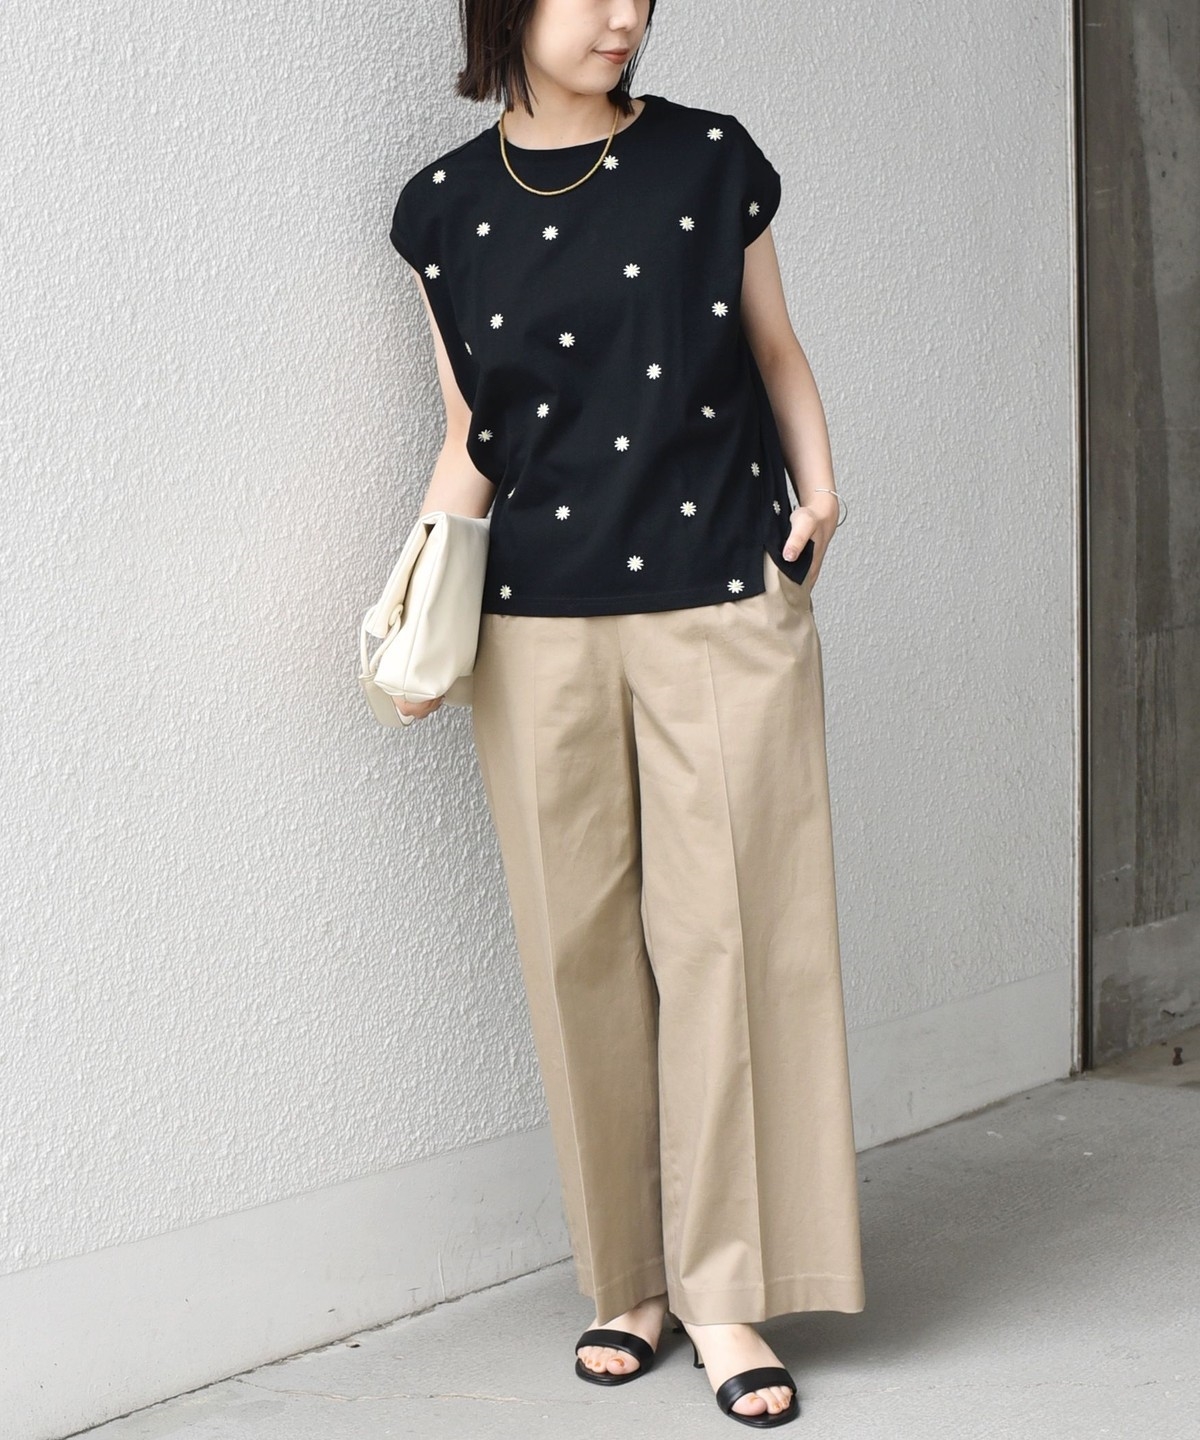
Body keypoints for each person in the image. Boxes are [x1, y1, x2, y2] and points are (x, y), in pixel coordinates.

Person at [384, 0, 864, 1427]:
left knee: (732, 945)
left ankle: (725, 1294)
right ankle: (628, 1283)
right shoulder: (442, 209)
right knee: (577, 954)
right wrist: (411, 613)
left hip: (720, 598)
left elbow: (775, 350)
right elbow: (471, 437)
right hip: (536, 624)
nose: (624, 14)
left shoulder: (711, 160)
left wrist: (819, 495)